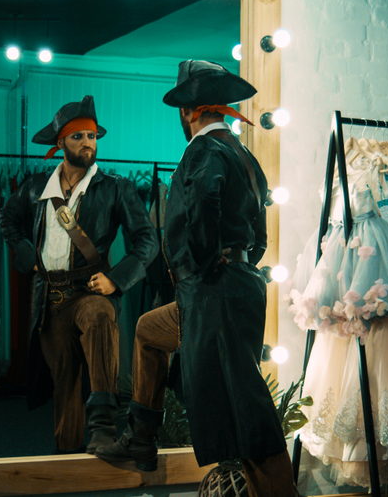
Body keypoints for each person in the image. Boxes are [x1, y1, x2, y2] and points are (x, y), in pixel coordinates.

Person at [96, 61, 298, 497]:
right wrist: (239, 261)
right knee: (150, 332)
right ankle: (141, 436)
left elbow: (206, 201)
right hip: (232, 285)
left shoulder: (203, 151)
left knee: (244, 402)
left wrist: (204, 265)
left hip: (214, 289)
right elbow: (259, 228)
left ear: (188, 112)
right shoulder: (243, 154)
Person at [0, 95, 157, 454]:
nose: (88, 143)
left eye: (92, 136)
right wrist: (28, 256)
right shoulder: (36, 186)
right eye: (78, 137)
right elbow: (7, 219)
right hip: (49, 299)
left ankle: (102, 426)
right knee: (65, 384)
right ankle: (67, 460)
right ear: (61, 143)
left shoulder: (116, 187)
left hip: (89, 291)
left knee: (101, 317)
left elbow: (147, 240)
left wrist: (117, 278)